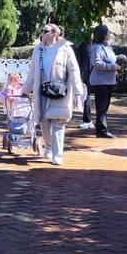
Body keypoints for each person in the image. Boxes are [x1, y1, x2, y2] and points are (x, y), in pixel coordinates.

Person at [25, 23, 83, 166]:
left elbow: (74, 71)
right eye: (43, 31)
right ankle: (49, 147)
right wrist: (24, 91)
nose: (43, 33)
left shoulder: (66, 48)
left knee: (58, 123)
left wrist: (78, 92)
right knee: (44, 123)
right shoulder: (38, 50)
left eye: (45, 31)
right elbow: (32, 72)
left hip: (60, 92)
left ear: (54, 34)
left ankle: (58, 155)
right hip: (43, 92)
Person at [88, 25, 121, 138]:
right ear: (104, 34)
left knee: (105, 107)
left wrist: (119, 57)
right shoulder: (97, 48)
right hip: (100, 82)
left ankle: (101, 129)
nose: (109, 35)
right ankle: (102, 131)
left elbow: (111, 58)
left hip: (108, 81)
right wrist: (113, 66)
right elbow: (97, 64)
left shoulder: (107, 47)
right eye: (108, 33)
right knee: (101, 107)